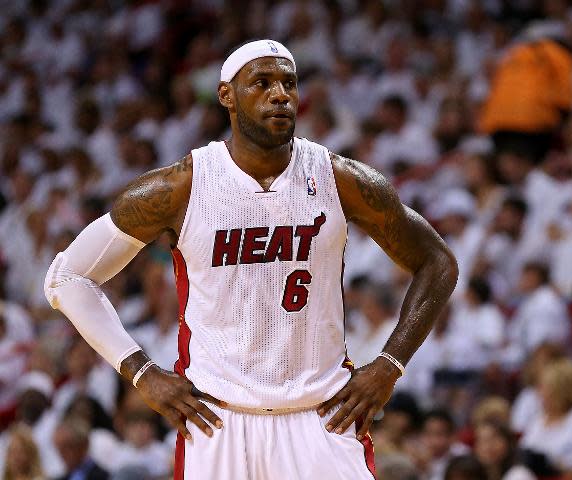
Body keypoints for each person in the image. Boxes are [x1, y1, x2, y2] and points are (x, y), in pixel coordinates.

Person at [43, 40, 458, 479]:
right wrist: (142, 372)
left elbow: (438, 262)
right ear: (226, 96)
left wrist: (390, 364)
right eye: (261, 83)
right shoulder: (179, 187)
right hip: (217, 421)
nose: (280, 94)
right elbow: (68, 277)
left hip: (322, 417)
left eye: (289, 83)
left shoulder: (341, 179)